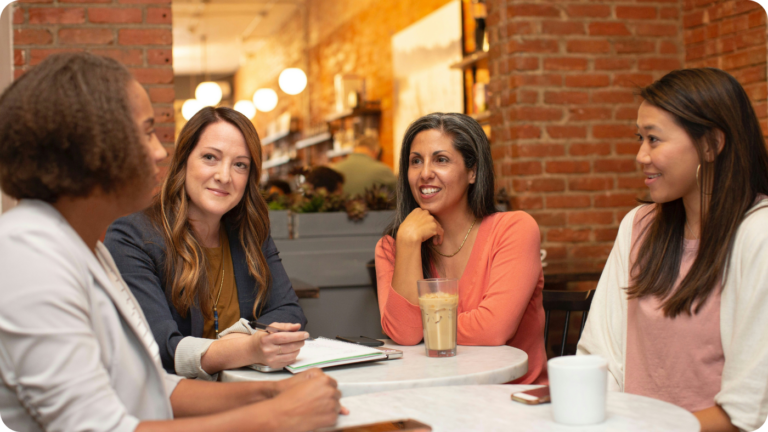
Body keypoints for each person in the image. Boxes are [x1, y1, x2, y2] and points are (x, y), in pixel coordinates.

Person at [0, 52, 343, 432]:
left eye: (240, 164)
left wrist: (269, 394)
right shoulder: (26, 252)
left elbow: (151, 386)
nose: (160, 152)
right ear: (89, 147)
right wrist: (274, 416)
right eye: (146, 132)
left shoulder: (85, 248)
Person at [577, 68, 768, 432]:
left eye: (654, 139)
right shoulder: (638, 226)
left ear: (712, 143)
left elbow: (748, 412)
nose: (641, 155)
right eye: (640, 137)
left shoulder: (758, 235)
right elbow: (599, 357)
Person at [104, 106, 308, 380]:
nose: (224, 176)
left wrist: (240, 343)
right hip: (175, 405)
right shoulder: (132, 237)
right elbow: (160, 347)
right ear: (184, 161)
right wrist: (247, 348)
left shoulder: (251, 231)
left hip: (248, 394)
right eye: (210, 157)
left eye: (240, 165)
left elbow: (290, 313)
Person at [374, 112, 547, 384]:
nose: (425, 173)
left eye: (441, 160)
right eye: (416, 161)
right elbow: (405, 335)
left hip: (513, 400)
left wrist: (423, 326)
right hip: (437, 397)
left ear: (472, 171)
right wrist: (408, 242)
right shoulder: (392, 246)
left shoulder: (515, 229)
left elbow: (493, 329)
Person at [332, 136, 397, 196]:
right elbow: (400, 197)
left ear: (354, 150)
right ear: (375, 152)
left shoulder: (334, 169)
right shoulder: (383, 170)